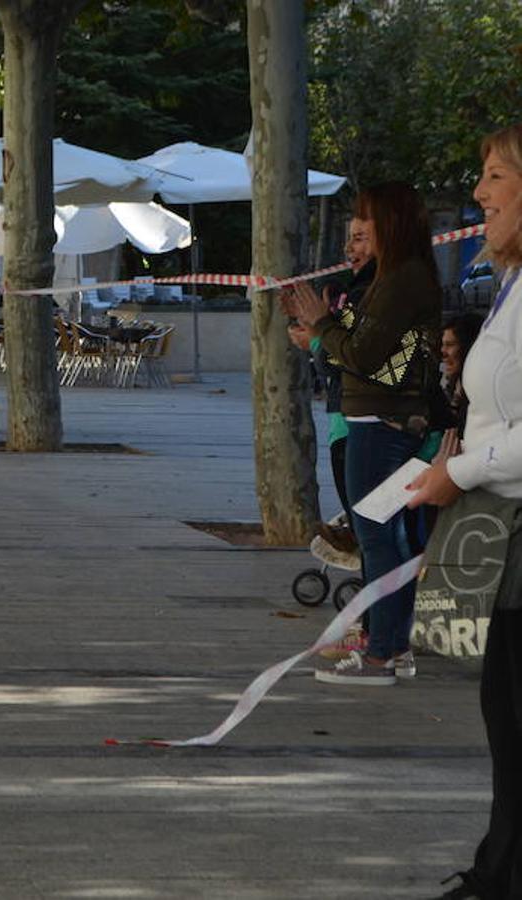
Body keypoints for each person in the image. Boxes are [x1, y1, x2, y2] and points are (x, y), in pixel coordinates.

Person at [413, 124, 522, 900]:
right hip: (497, 525)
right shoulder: (509, 282)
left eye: (493, 176)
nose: (478, 194)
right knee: (505, 724)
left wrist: (462, 468)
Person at [287, 182, 443, 685]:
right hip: (377, 417)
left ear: (389, 224)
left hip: (382, 422)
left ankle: (381, 652)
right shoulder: (396, 277)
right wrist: (323, 331)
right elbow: (358, 347)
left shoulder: (402, 278)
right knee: (384, 535)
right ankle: (390, 646)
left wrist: (319, 327)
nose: (353, 240)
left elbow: (361, 355)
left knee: (378, 537)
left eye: (363, 225)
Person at [288, 217, 377, 550]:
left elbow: (350, 358)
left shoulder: (371, 296)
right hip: (351, 414)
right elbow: (344, 350)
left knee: (369, 530)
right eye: (348, 238)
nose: (348, 248)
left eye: (359, 238)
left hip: (365, 419)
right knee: (367, 526)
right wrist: (314, 329)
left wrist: (316, 335)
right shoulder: (357, 295)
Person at [441, 311, 484, 432]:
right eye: (442, 344)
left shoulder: (480, 394)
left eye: (450, 345)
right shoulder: (452, 384)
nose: (443, 352)